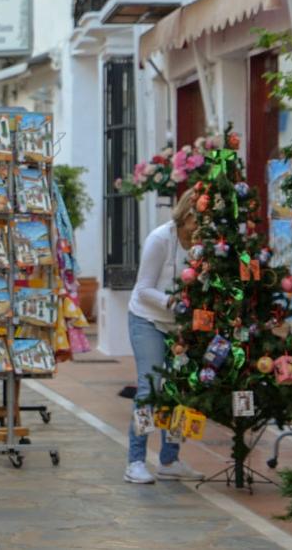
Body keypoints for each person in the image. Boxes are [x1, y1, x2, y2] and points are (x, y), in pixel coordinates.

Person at [125, 189, 205, 484]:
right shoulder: (160, 239)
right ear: (186, 216)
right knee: (149, 389)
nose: (200, 228)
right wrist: (172, 302)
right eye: (198, 220)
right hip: (148, 320)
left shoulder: (202, 246)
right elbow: (143, 288)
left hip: (179, 328)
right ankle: (135, 460)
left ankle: (169, 458)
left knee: (177, 392)